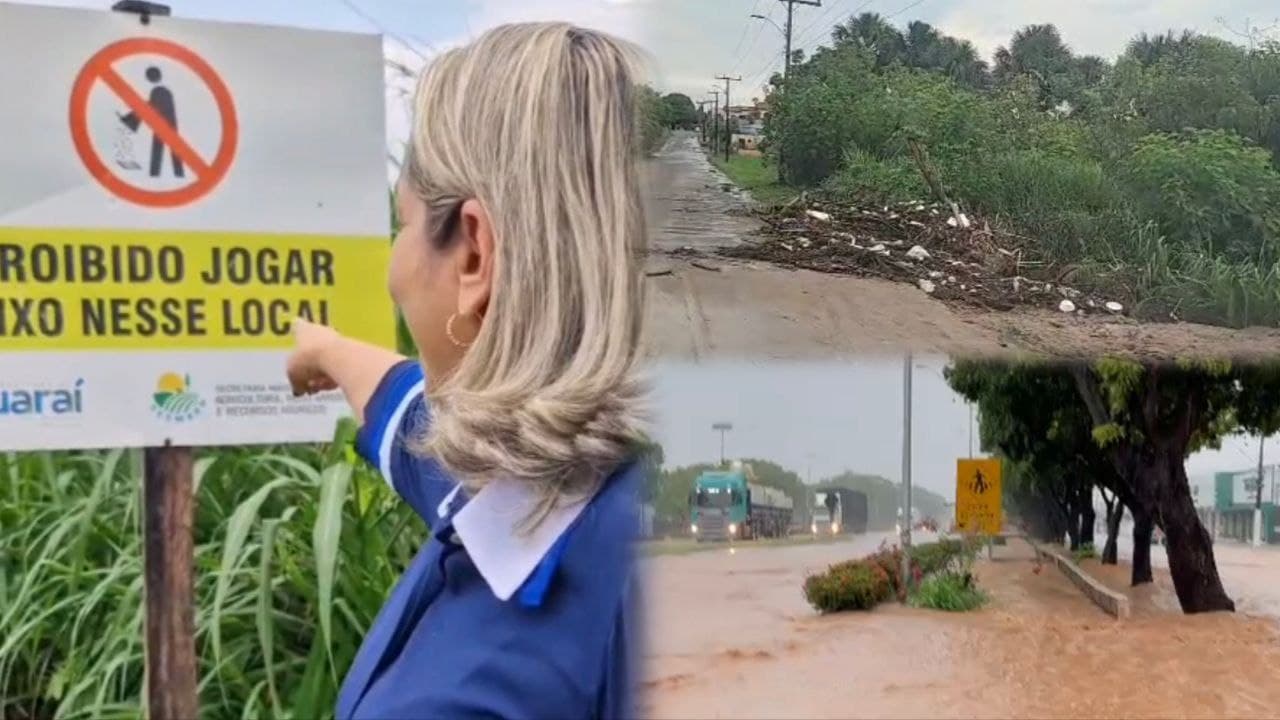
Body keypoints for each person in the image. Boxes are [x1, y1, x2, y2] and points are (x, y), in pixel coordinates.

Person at [286, 22, 650, 719]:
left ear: (475, 255)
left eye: (404, 224)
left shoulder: (465, 693)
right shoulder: (590, 484)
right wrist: (330, 351)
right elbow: (428, 439)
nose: (396, 262)